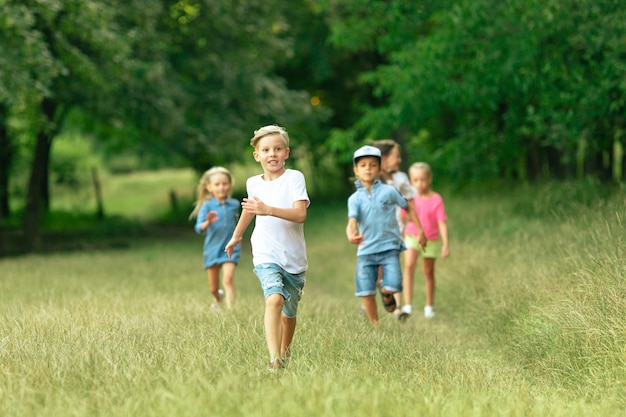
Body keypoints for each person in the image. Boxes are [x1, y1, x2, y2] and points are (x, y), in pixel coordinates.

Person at [225, 124, 309, 372]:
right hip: (265, 252)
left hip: (293, 257)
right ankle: (274, 359)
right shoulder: (253, 183)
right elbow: (250, 210)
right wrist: (236, 236)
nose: (272, 154)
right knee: (273, 299)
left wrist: (268, 210)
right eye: (266, 150)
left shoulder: (294, 178)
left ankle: (284, 352)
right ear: (257, 155)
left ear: (286, 153)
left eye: (277, 149)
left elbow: (300, 215)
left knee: (289, 314)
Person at [346, 145, 409, 327]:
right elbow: (352, 221)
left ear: (379, 169)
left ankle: (387, 291)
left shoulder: (389, 191)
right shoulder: (354, 199)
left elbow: (406, 206)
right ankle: (376, 325)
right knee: (366, 290)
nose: (368, 168)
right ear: (356, 171)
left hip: (389, 247)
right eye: (363, 165)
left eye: (373, 165)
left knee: (395, 283)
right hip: (366, 249)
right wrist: (351, 234)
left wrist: (418, 230)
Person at [372, 139, 426, 319]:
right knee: (376, 269)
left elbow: (410, 205)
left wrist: (420, 230)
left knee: (392, 268)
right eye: (396, 156)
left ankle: (397, 308)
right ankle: (371, 300)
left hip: (394, 230)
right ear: (385, 158)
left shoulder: (400, 178)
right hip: (373, 230)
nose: (399, 160)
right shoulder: (372, 177)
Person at [401, 162, 449, 318]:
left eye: (423, 179)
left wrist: (445, 245)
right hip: (411, 236)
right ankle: (407, 305)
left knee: (428, 271)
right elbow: (401, 218)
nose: (419, 184)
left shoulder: (436, 199)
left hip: (431, 239)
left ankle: (429, 306)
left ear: (429, 179)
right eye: (415, 180)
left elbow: (442, 223)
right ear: (410, 181)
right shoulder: (409, 198)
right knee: (409, 266)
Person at [190, 166, 240, 310]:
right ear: (209, 187)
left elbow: (238, 223)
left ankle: (232, 312)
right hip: (212, 249)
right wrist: (207, 222)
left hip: (230, 248)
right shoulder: (207, 206)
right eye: (217, 184)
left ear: (230, 185)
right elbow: (198, 228)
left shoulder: (235, 204)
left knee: (228, 279)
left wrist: (238, 236)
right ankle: (218, 298)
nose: (221, 187)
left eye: (225, 184)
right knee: (213, 288)